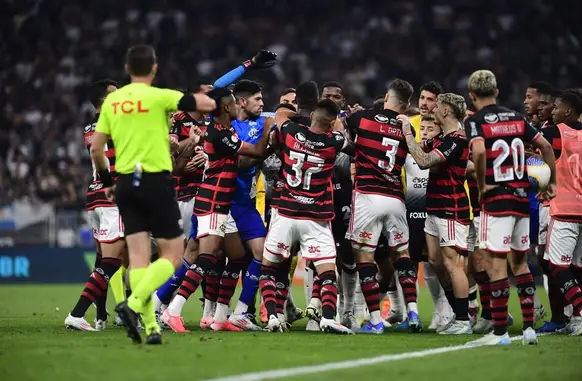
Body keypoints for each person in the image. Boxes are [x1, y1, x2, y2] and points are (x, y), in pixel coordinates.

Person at [90, 45, 216, 344]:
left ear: (127, 68)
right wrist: (209, 92)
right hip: (156, 182)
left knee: (138, 261)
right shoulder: (161, 96)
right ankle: (132, 307)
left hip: (124, 184)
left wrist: (108, 181)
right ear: (154, 69)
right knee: (172, 256)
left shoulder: (113, 102)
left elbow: (97, 149)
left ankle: (152, 328)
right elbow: (205, 104)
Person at [161, 87, 271, 332]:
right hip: (212, 203)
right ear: (226, 107)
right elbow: (256, 152)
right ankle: (173, 310)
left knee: (238, 255)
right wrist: (267, 128)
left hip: (222, 204)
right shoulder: (219, 133)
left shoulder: (222, 130)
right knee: (207, 257)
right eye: (232, 103)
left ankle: (221, 318)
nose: (236, 107)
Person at [465, 70, 556, 346]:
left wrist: (481, 186)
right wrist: (550, 182)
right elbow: (544, 145)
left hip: (497, 198)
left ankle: (501, 332)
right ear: (497, 91)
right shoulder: (517, 118)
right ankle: (529, 329)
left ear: (471, 96)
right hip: (520, 199)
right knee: (520, 262)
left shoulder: (476, 120)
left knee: (495, 264)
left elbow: (479, 152)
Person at [260, 99, 353, 334]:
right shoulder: (334, 141)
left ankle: (272, 316)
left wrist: (301, 117)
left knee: (269, 267)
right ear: (330, 123)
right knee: (327, 269)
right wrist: (334, 123)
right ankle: (329, 318)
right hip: (315, 217)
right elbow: (341, 130)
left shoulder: (292, 132)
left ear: (312, 115)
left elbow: (280, 113)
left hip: (286, 213)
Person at [346, 79, 420, 334]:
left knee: (364, 257)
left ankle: (376, 320)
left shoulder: (363, 118)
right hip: (396, 199)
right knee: (403, 255)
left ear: (386, 96)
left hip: (368, 195)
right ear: (407, 104)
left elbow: (346, 129)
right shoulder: (407, 126)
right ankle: (413, 312)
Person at [402, 93, 472, 335]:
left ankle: (464, 318)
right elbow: (420, 149)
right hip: (434, 207)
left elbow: (423, 161)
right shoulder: (444, 138)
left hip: (450, 208)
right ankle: (457, 313)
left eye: (438, 105)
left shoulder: (457, 140)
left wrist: (407, 131)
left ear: (446, 111)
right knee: (434, 261)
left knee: (453, 265)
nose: (434, 108)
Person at [65, 79, 124, 332]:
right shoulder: (114, 121)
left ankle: (100, 315)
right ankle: (77, 313)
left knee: (103, 258)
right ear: (105, 100)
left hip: (95, 196)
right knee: (113, 261)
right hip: (112, 196)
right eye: (115, 93)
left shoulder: (91, 126)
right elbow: (108, 154)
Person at [403, 113, 452, 331]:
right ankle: (409, 312)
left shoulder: (441, 151)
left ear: (439, 131)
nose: (424, 132)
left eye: (429, 129)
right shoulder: (409, 150)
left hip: (435, 209)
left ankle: (446, 309)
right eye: (421, 128)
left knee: (437, 261)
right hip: (413, 211)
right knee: (411, 261)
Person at [541, 91, 582, 336]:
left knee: (556, 267)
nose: (552, 111)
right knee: (577, 268)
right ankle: (577, 321)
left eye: (556, 107)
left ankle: (580, 308)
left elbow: (536, 144)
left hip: (564, 208)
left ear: (568, 111)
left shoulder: (556, 132)